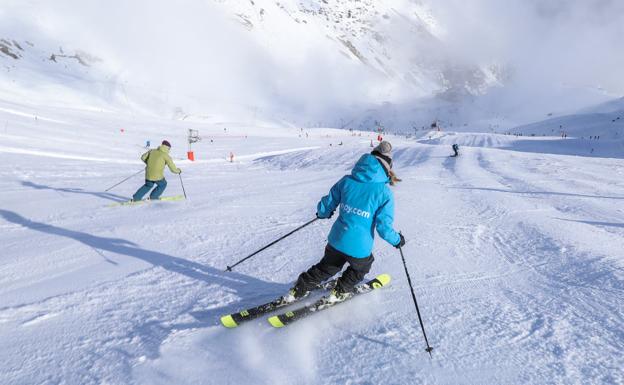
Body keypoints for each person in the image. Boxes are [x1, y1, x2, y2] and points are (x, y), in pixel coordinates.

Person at [287, 141, 405, 303]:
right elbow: (384, 228)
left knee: (326, 268)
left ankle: (299, 289)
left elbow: (328, 203)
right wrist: (397, 240)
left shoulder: (347, 181)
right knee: (362, 267)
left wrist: (323, 213)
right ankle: (341, 290)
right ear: (387, 167)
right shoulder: (384, 193)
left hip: (336, 240)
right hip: (359, 248)